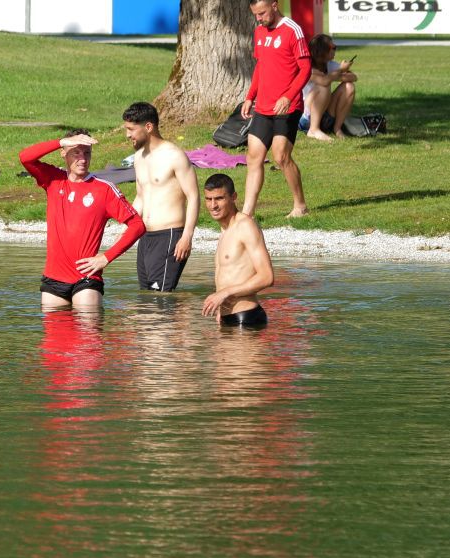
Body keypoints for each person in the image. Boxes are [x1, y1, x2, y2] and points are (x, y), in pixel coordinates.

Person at [19, 130, 148, 309]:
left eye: (87, 153)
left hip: (86, 279)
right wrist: (62, 141)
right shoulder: (53, 179)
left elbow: (137, 226)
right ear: (63, 153)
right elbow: (25, 157)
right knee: (55, 334)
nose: (83, 159)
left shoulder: (104, 189)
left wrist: (105, 258)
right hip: (54, 280)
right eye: (76, 153)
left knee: (87, 333)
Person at [240, 0, 310, 218]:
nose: (259, 18)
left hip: (288, 107)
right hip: (263, 106)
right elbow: (261, 66)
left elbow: (305, 68)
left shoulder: (293, 30)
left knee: (280, 157)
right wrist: (250, 97)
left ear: (274, 5)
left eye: (261, 13)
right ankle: (247, 213)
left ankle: (300, 206)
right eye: (255, 15)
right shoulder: (259, 32)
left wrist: (288, 96)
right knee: (254, 157)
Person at [122, 101, 200, 292]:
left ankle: (181, 318)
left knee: (160, 297)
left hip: (170, 236)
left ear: (148, 127)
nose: (127, 135)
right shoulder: (139, 157)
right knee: (148, 296)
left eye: (131, 129)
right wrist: (127, 228)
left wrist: (187, 236)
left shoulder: (174, 155)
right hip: (145, 237)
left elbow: (194, 196)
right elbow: (140, 197)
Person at [200, 173, 275, 327]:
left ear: (233, 197)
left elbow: (267, 277)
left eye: (219, 198)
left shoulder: (245, 226)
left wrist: (225, 293)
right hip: (228, 318)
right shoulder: (225, 231)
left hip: (247, 318)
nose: (213, 205)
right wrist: (222, 308)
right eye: (209, 199)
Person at [301, 34, 357, 141]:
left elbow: (353, 77)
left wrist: (339, 74)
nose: (336, 50)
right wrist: (340, 71)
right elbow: (324, 81)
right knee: (323, 86)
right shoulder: (307, 67)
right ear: (323, 51)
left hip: (325, 114)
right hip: (306, 118)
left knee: (349, 86)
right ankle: (313, 129)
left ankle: (337, 128)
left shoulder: (330, 64)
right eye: (333, 48)